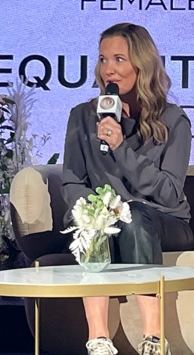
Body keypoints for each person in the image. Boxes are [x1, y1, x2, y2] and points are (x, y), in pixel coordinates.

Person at [61, 22, 194, 355]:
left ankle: (154, 338)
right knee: (93, 223)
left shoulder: (173, 120)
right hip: (108, 218)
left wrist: (121, 149)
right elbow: (72, 181)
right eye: (103, 59)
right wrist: (95, 209)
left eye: (119, 59)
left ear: (141, 65)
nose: (109, 69)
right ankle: (98, 339)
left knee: (133, 215)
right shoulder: (82, 117)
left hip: (164, 219)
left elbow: (169, 192)